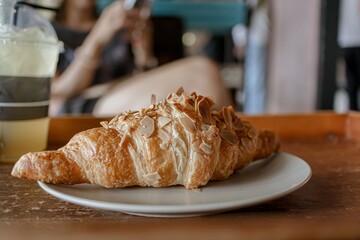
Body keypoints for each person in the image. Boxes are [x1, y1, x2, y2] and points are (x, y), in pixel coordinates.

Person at [50, 0, 232, 116]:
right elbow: (56, 92)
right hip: (79, 107)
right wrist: (97, 38)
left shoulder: (115, 21)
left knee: (207, 77)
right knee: (204, 73)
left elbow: (140, 77)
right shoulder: (48, 30)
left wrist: (144, 50)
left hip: (121, 96)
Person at [338, 0, 360, 111]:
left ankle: (353, 116)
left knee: (351, 84)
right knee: (352, 84)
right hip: (354, 40)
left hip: (346, 41)